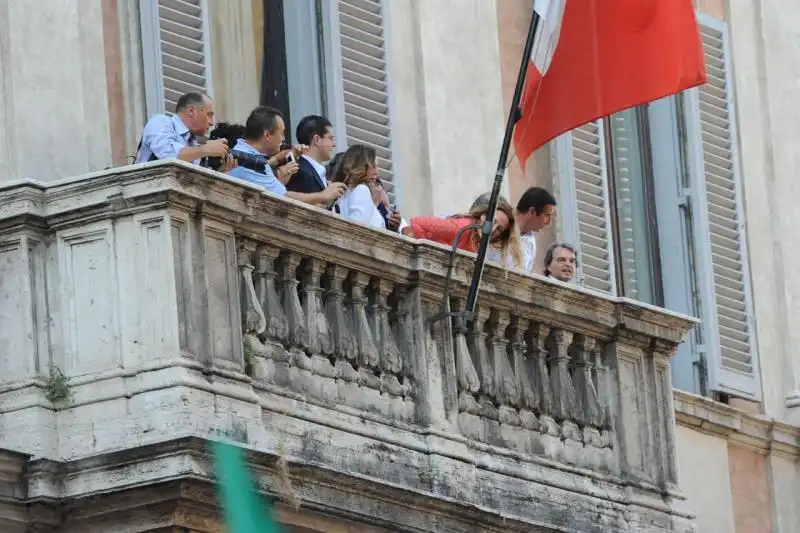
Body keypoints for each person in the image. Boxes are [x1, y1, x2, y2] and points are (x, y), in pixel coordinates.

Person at [227, 106, 345, 207]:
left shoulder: (250, 156)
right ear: (267, 135)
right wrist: (324, 195)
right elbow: (285, 197)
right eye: (282, 133)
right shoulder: (249, 161)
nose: (283, 138)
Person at [403, 198, 522, 268]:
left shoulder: (476, 239)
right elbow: (417, 224)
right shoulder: (461, 228)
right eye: (493, 222)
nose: (494, 229)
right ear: (483, 216)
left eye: (500, 229)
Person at [136, 92, 229, 165]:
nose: (212, 122)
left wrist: (221, 172)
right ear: (191, 111)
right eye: (209, 115)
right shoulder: (160, 122)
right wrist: (206, 149)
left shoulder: (195, 143)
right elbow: (169, 156)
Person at [332, 145, 405, 230]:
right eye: (374, 166)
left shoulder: (343, 193)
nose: (376, 172)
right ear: (362, 166)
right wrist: (374, 204)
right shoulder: (362, 190)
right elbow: (357, 229)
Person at [288, 116, 336, 202]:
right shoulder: (299, 171)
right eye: (330, 138)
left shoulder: (317, 173)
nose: (334, 144)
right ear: (317, 139)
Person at [514, 187, 557, 273]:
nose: (549, 222)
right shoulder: (502, 226)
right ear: (532, 211)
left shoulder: (531, 242)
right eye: (547, 215)